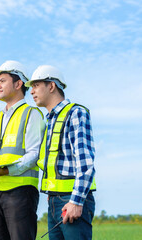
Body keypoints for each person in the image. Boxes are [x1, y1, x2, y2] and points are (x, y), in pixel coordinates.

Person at [0, 60, 45, 240]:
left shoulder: (32, 114)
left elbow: (35, 153)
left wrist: (6, 170)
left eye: (2, 81)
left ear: (18, 83)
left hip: (21, 193)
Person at [25, 65, 97, 240]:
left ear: (51, 86)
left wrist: (76, 201)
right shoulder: (49, 121)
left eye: (36, 86)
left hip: (72, 200)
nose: (32, 92)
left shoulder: (75, 113)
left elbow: (85, 163)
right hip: (54, 201)